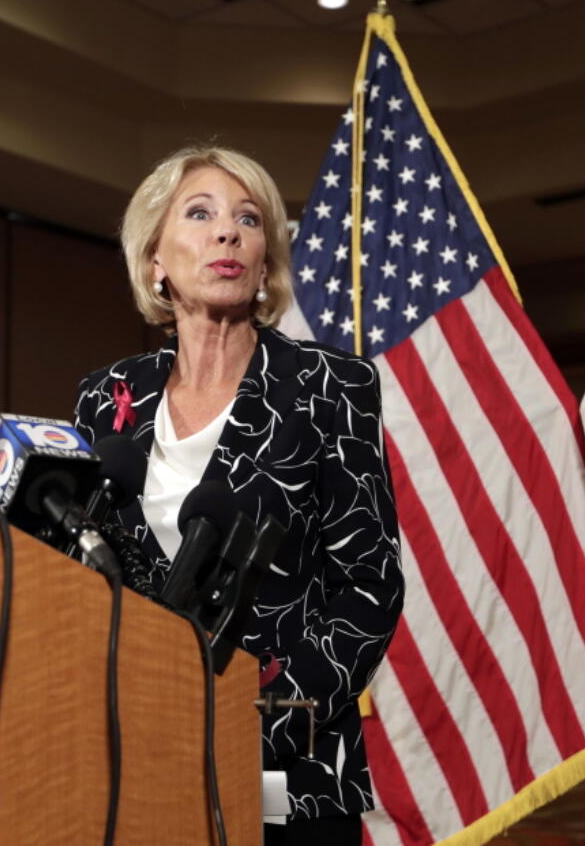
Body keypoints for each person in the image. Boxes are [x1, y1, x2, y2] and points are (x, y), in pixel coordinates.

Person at [73, 145, 403, 845]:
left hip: (287, 778)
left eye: (248, 219)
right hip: (133, 762)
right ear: (155, 259)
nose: (228, 231)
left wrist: (248, 726)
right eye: (201, 214)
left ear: (263, 262)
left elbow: (368, 588)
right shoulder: (107, 398)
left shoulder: (330, 385)